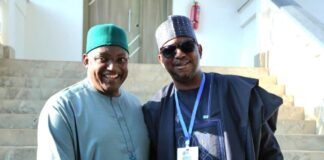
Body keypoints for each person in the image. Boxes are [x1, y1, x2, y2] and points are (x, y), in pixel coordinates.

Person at [142, 15, 283, 160]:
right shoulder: (155, 110)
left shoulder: (239, 93)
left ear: (200, 50)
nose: (179, 54)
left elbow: (270, 153)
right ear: (160, 59)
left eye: (187, 46)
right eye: (169, 51)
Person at [37, 24, 149, 160]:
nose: (113, 67)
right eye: (103, 59)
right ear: (86, 61)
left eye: (121, 60)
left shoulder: (135, 105)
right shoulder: (63, 108)